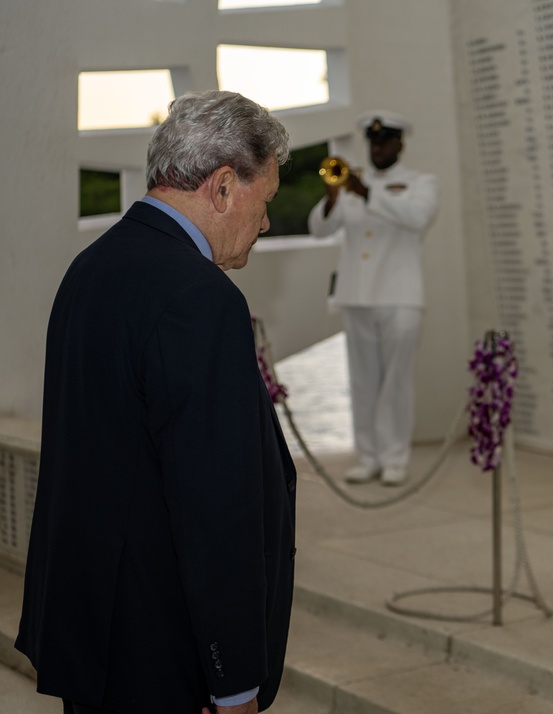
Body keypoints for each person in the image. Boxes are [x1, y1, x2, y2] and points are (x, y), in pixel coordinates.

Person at [16, 90, 297, 714]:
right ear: (223, 187)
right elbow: (213, 503)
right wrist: (234, 681)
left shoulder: (92, 267)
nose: (267, 222)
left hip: (97, 635)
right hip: (164, 651)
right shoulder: (199, 297)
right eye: (266, 200)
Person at [308, 110, 439, 486]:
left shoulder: (421, 183)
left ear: (400, 143)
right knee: (364, 381)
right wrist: (333, 197)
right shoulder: (353, 183)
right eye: (373, 142)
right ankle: (368, 456)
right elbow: (318, 229)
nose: (377, 147)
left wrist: (367, 193)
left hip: (400, 296)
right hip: (357, 295)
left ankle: (395, 457)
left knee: (395, 381)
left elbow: (417, 217)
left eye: (384, 141)